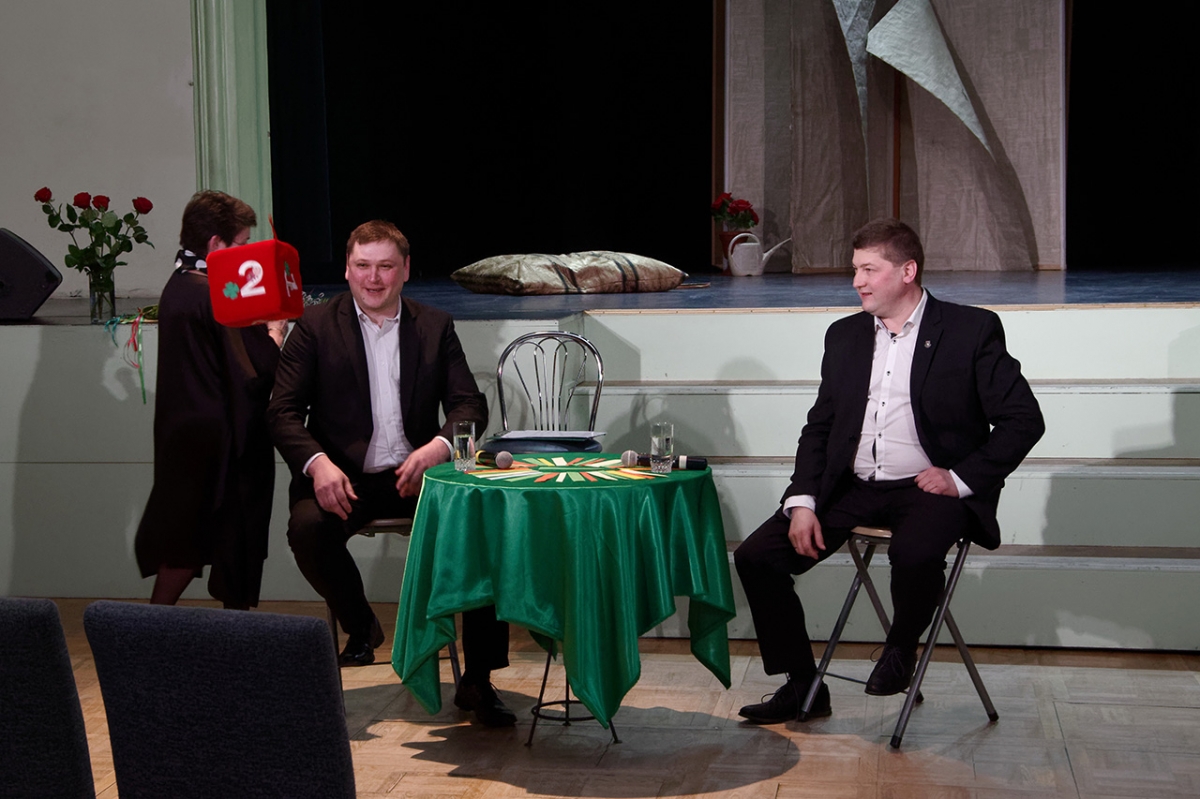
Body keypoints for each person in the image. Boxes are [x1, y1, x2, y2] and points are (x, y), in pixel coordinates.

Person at [733, 219, 1045, 724]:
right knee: (757, 557)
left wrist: (959, 478)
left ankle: (901, 649)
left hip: (929, 489)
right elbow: (821, 427)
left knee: (915, 552)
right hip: (853, 485)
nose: (857, 281)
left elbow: (1023, 420)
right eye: (855, 269)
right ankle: (803, 685)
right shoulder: (845, 335)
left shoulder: (970, 330)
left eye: (869, 270)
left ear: (907, 271)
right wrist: (803, 500)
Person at [267, 220, 514, 726]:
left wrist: (438, 448)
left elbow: (469, 404)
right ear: (347, 269)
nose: (373, 278)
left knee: (481, 529)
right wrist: (318, 464)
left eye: (385, 267)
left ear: (405, 269)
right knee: (308, 528)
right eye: (363, 266)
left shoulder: (434, 325)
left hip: (417, 477)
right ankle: (362, 626)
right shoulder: (314, 326)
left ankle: (478, 679)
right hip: (344, 477)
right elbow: (282, 412)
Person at [135, 190, 287, 610]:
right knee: (232, 541)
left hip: (184, 436)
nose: (245, 253)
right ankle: (233, 635)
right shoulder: (216, 294)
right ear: (216, 243)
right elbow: (256, 370)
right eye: (240, 244)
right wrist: (275, 332)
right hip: (224, 443)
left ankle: (148, 630)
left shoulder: (179, 285)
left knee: (182, 545)